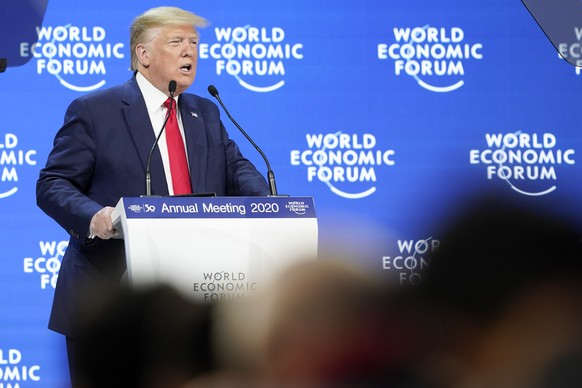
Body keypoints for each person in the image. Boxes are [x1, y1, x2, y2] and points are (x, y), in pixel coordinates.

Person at [35, 6, 269, 386]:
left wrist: (270, 208)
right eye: (176, 42)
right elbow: (52, 184)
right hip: (111, 300)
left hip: (191, 300)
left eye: (194, 43)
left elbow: (237, 169)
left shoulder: (205, 112)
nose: (189, 52)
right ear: (142, 55)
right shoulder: (96, 110)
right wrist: (95, 217)